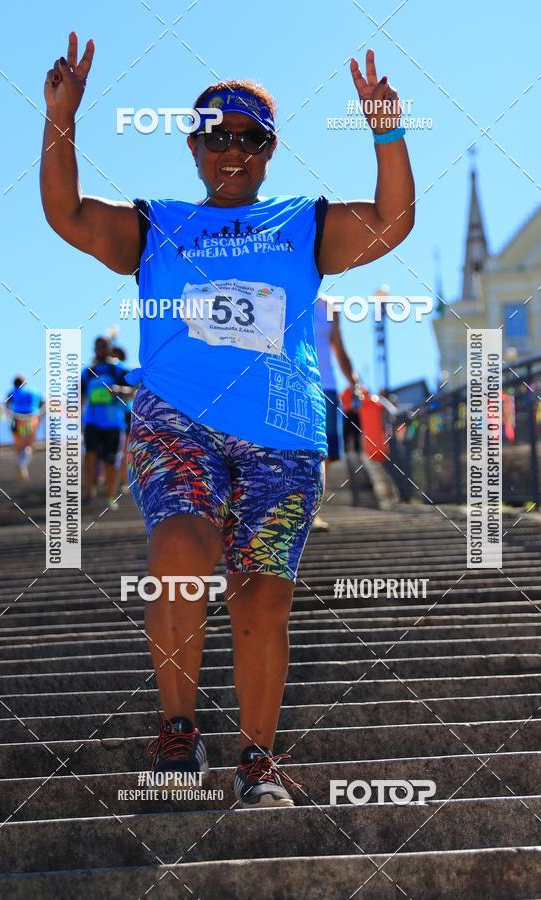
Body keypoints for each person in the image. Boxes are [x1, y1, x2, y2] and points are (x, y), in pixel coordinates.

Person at [41, 32, 415, 807]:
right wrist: (61, 121)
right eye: (217, 136)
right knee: (180, 547)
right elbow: (68, 216)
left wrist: (387, 131)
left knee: (261, 593)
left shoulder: (302, 221)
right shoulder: (159, 223)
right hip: (179, 420)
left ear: (270, 149)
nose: (232, 151)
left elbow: (391, 219)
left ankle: (256, 760)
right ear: (194, 144)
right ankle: (179, 731)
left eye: (248, 138)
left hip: (281, 433)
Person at [313, 293, 361, 530]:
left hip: (327, 386)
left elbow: (339, 349)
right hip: (296, 384)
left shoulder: (330, 307)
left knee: (327, 453)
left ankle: (313, 512)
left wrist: (352, 380)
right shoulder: (287, 293)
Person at [81, 336, 130, 509]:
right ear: (94, 349)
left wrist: (120, 391)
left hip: (114, 423)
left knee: (112, 461)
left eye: (104, 346)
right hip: (92, 421)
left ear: (110, 348)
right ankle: (90, 494)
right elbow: (80, 396)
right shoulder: (87, 372)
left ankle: (110, 496)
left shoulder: (118, 370)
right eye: (98, 346)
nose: (101, 349)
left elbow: (135, 388)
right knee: (90, 455)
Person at [5, 377, 44, 480]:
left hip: (17, 419)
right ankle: (22, 464)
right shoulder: (35, 391)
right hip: (31, 419)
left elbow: (7, 406)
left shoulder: (12, 392)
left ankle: (22, 466)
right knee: (29, 445)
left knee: (19, 446)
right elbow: (42, 405)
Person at [111, 345, 136, 492]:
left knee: (126, 449)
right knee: (119, 450)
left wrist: (120, 390)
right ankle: (122, 480)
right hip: (114, 416)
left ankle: (126, 480)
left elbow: (135, 388)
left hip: (127, 414)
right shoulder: (107, 371)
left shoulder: (125, 370)